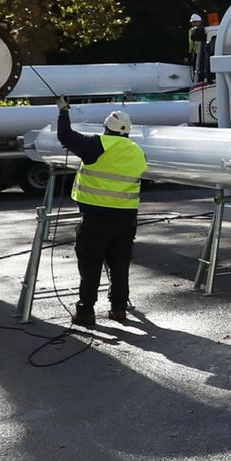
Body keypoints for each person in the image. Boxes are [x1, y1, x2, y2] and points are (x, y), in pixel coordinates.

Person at [55, 104, 148, 327]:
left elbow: (65, 136)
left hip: (96, 218)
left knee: (90, 266)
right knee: (119, 264)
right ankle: (118, 309)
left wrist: (63, 111)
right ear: (127, 131)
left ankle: (85, 311)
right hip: (126, 220)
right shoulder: (137, 150)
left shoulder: (98, 145)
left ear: (107, 128)